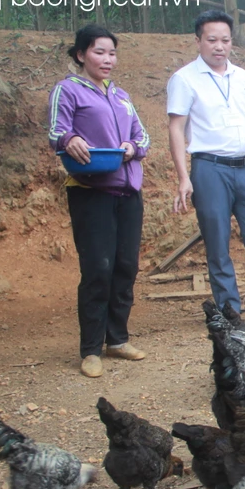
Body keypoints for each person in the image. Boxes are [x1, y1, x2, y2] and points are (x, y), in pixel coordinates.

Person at [167, 10, 245, 329]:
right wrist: (184, 177)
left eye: (225, 40)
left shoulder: (243, 78)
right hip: (209, 169)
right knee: (217, 238)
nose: (219, 46)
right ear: (198, 41)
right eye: (211, 40)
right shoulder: (184, 79)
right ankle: (229, 310)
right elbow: (176, 128)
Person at [47, 25, 151, 378]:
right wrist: (70, 139)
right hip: (90, 192)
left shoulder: (122, 96)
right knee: (98, 269)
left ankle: (117, 339)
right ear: (81, 55)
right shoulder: (69, 90)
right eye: (99, 52)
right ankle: (90, 349)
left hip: (128, 191)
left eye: (111, 53)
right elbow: (55, 132)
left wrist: (132, 148)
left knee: (125, 267)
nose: (107, 59)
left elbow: (143, 136)